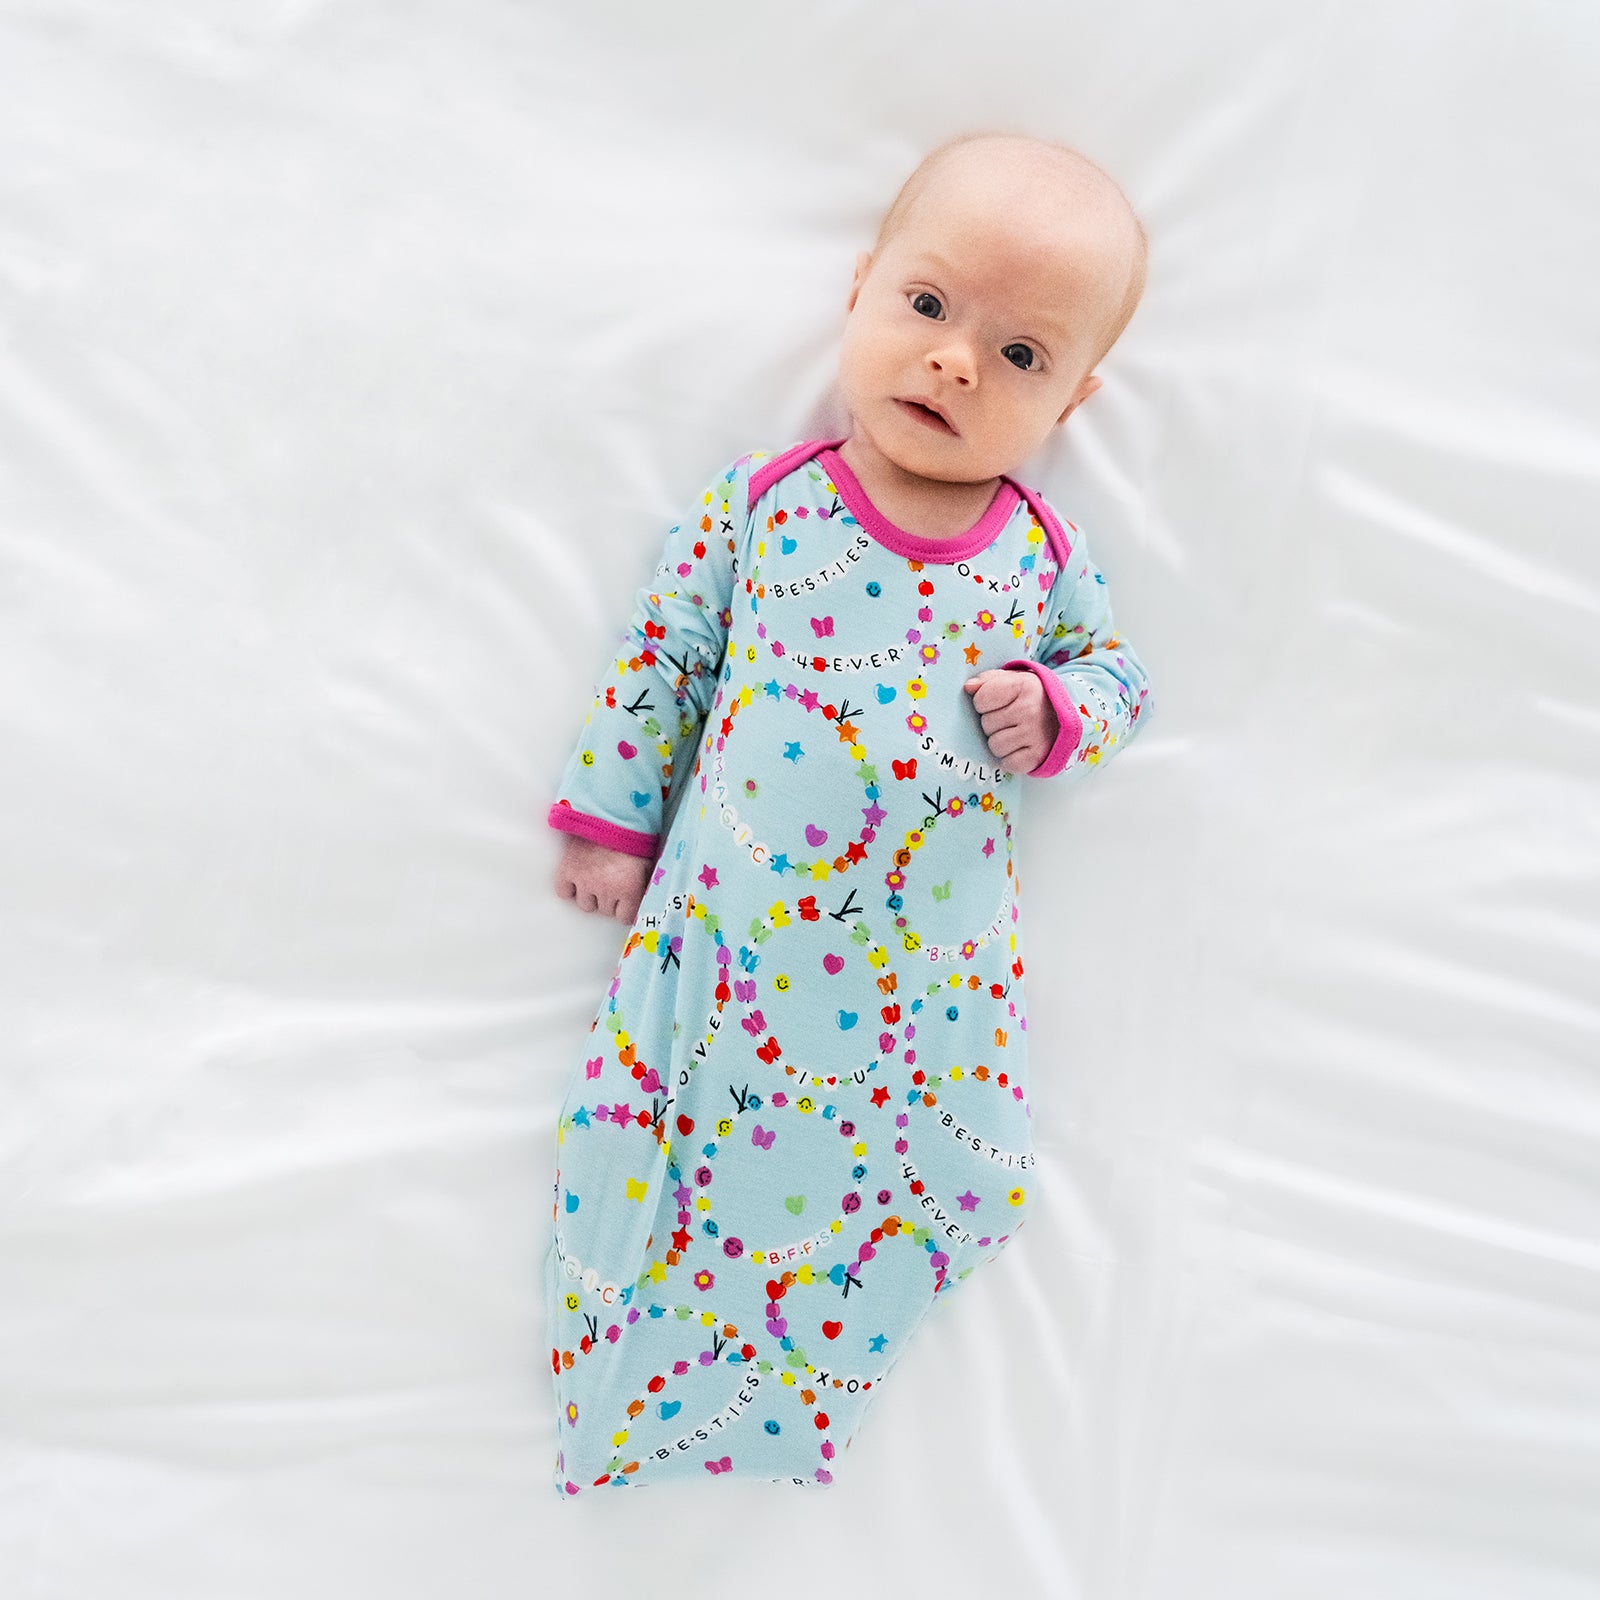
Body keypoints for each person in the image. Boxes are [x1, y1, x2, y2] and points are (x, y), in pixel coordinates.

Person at [542, 131, 1155, 1495]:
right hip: (745, 938)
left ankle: (823, 1348)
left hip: (929, 971)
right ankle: (660, 1396)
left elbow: (1120, 678)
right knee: (685, 1142)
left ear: (1073, 400)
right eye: (931, 309)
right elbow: (667, 657)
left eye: (1019, 355)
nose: (953, 363)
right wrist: (613, 817)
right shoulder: (767, 507)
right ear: (864, 291)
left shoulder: (1040, 553)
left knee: (957, 1165)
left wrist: (1060, 712)